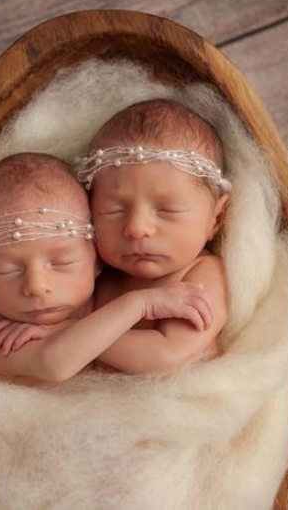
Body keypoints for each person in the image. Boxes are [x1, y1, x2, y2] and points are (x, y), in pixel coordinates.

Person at [0, 152, 213, 386]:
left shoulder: (106, 299)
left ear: (96, 260)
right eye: (8, 270)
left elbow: (166, 355)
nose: (36, 287)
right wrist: (141, 305)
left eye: (61, 263)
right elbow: (55, 364)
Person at [74, 98, 233, 374]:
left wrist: (69, 336)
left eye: (167, 210)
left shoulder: (201, 275)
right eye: (114, 210)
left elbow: (168, 353)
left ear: (216, 218)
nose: (136, 228)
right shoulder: (99, 275)